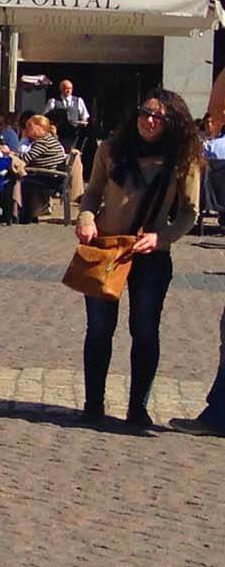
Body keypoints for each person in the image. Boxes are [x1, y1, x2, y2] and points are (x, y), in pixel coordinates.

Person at [75, 90, 201, 431]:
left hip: (151, 256)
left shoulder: (182, 159)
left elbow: (190, 213)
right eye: (145, 113)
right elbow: (92, 193)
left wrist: (161, 237)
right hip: (108, 249)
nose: (149, 121)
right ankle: (93, 403)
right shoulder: (110, 150)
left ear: (172, 123)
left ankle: (137, 407)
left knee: (144, 330)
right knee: (99, 329)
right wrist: (86, 220)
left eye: (158, 117)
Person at [10, 113, 71, 223]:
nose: (26, 129)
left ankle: (24, 215)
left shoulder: (43, 142)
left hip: (52, 178)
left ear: (39, 127)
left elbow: (26, 158)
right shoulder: (46, 139)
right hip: (50, 175)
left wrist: (9, 153)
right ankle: (27, 213)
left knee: (21, 182)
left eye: (29, 126)